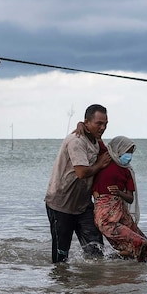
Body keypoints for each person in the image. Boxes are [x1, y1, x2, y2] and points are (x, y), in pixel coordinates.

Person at [45, 104, 113, 263]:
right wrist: (100, 164)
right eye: (99, 123)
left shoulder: (95, 140)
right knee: (61, 256)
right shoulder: (76, 141)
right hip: (60, 204)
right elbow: (82, 172)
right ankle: (63, 285)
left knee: (96, 252)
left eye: (106, 124)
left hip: (83, 205)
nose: (103, 128)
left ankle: (91, 285)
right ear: (87, 122)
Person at [93, 136, 147, 261]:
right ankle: (111, 261)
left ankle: (126, 269)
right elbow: (97, 138)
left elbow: (130, 198)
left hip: (120, 211)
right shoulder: (105, 158)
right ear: (118, 149)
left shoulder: (127, 171)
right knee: (140, 244)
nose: (129, 156)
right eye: (127, 151)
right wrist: (81, 125)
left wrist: (119, 192)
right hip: (106, 217)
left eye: (131, 152)